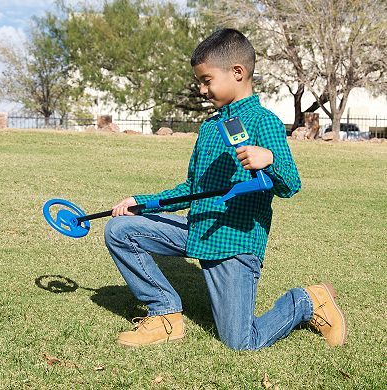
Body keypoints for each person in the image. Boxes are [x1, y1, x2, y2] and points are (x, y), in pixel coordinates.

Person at [104, 28, 347, 350]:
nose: (203, 89)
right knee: (120, 229)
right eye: (200, 82)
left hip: (235, 243)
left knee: (241, 341)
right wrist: (143, 202)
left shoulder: (265, 122)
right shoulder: (210, 127)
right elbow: (193, 187)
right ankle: (164, 314)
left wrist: (269, 159)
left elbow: (290, 184)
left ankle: (307, 301)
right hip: (198, 229)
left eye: (207, 80)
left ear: (237, 72)